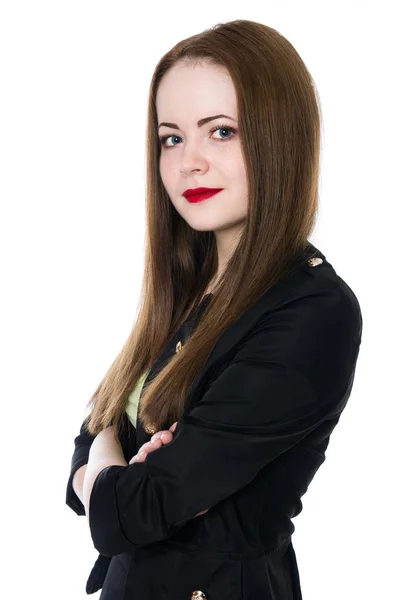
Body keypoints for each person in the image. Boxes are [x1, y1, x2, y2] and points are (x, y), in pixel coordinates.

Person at [65, 19, 363, 599]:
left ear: (281, 139)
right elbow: (96, 427)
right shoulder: (187, 286)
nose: (188, 162)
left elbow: (139, 507)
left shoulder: (314, 311)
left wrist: (109, 478)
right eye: (172, 137)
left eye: (221, 131)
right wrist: (109, 468)